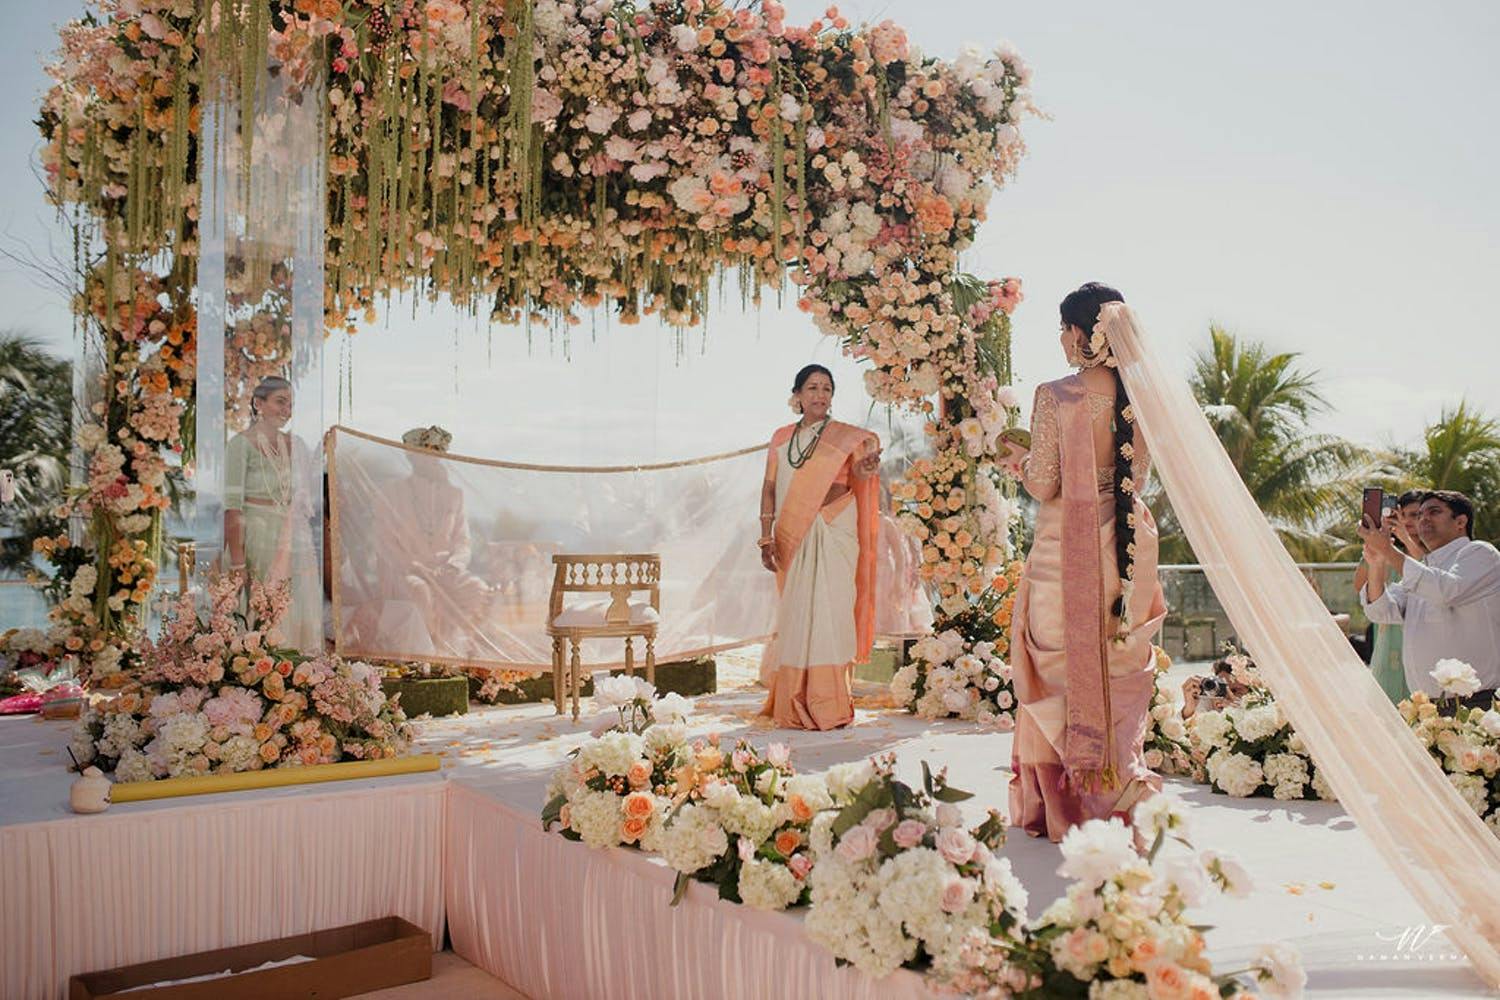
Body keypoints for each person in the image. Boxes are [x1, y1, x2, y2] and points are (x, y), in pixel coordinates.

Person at [998, 283, 1168, 842]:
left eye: (1064, 329)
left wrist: (1017, 461)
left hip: (1062, 548)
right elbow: (1134, 480)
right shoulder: (1140, 400)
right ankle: (1117, 791)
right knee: (1112, 662)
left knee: (1059, 667)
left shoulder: (1057, 395)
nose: (1063, 341)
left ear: (1079, 333)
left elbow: (1044, 483)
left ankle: (1064, 805)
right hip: (1125, 546)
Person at [758, 364, 882, 731]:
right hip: (793, 532)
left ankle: (830, 703)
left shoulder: (844, 437)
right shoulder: (781, 438)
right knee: (798, 613)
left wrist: (867, 468)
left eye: (827, 388)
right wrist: (765, 536)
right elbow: (769, 488)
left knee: (832, 611)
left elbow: (858, 476)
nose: (820, 395)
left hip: (835, 526)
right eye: (812, 388)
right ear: (796, 395)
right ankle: (794, 698)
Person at [1360, 489, 1500, 711]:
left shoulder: (1480, 553)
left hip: (1476, 705)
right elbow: (1381, 611)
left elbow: (1445, 590)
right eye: (1420, 515)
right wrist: (1377, 562)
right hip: (1428, 709)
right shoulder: (1423, 569)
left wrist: (1388, 550)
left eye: (1434, 512)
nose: (1423, 519)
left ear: (1460, 522)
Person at [224, 376, 322, 652]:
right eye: (280, 402)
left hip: (296, 538)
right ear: (258, 403)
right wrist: (237, 563)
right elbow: (232, 507)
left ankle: (302, 678)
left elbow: (309, 489)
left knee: (297, 603)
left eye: (291, 404)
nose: (286, 410)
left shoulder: (297, 444)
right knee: (263, 607)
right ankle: (264, 675)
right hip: (258, 534)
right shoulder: (240, 445)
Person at [1352, 489, 1426, 703]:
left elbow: (1424, 572)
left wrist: (1403, 536)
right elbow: (1361, 587)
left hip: (1422, 640)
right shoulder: (1387, 550)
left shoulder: (1435, 552)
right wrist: (1375, 548)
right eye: (1405, 515)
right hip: (1388, 639)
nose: (1410, 521)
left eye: (1417, 515)